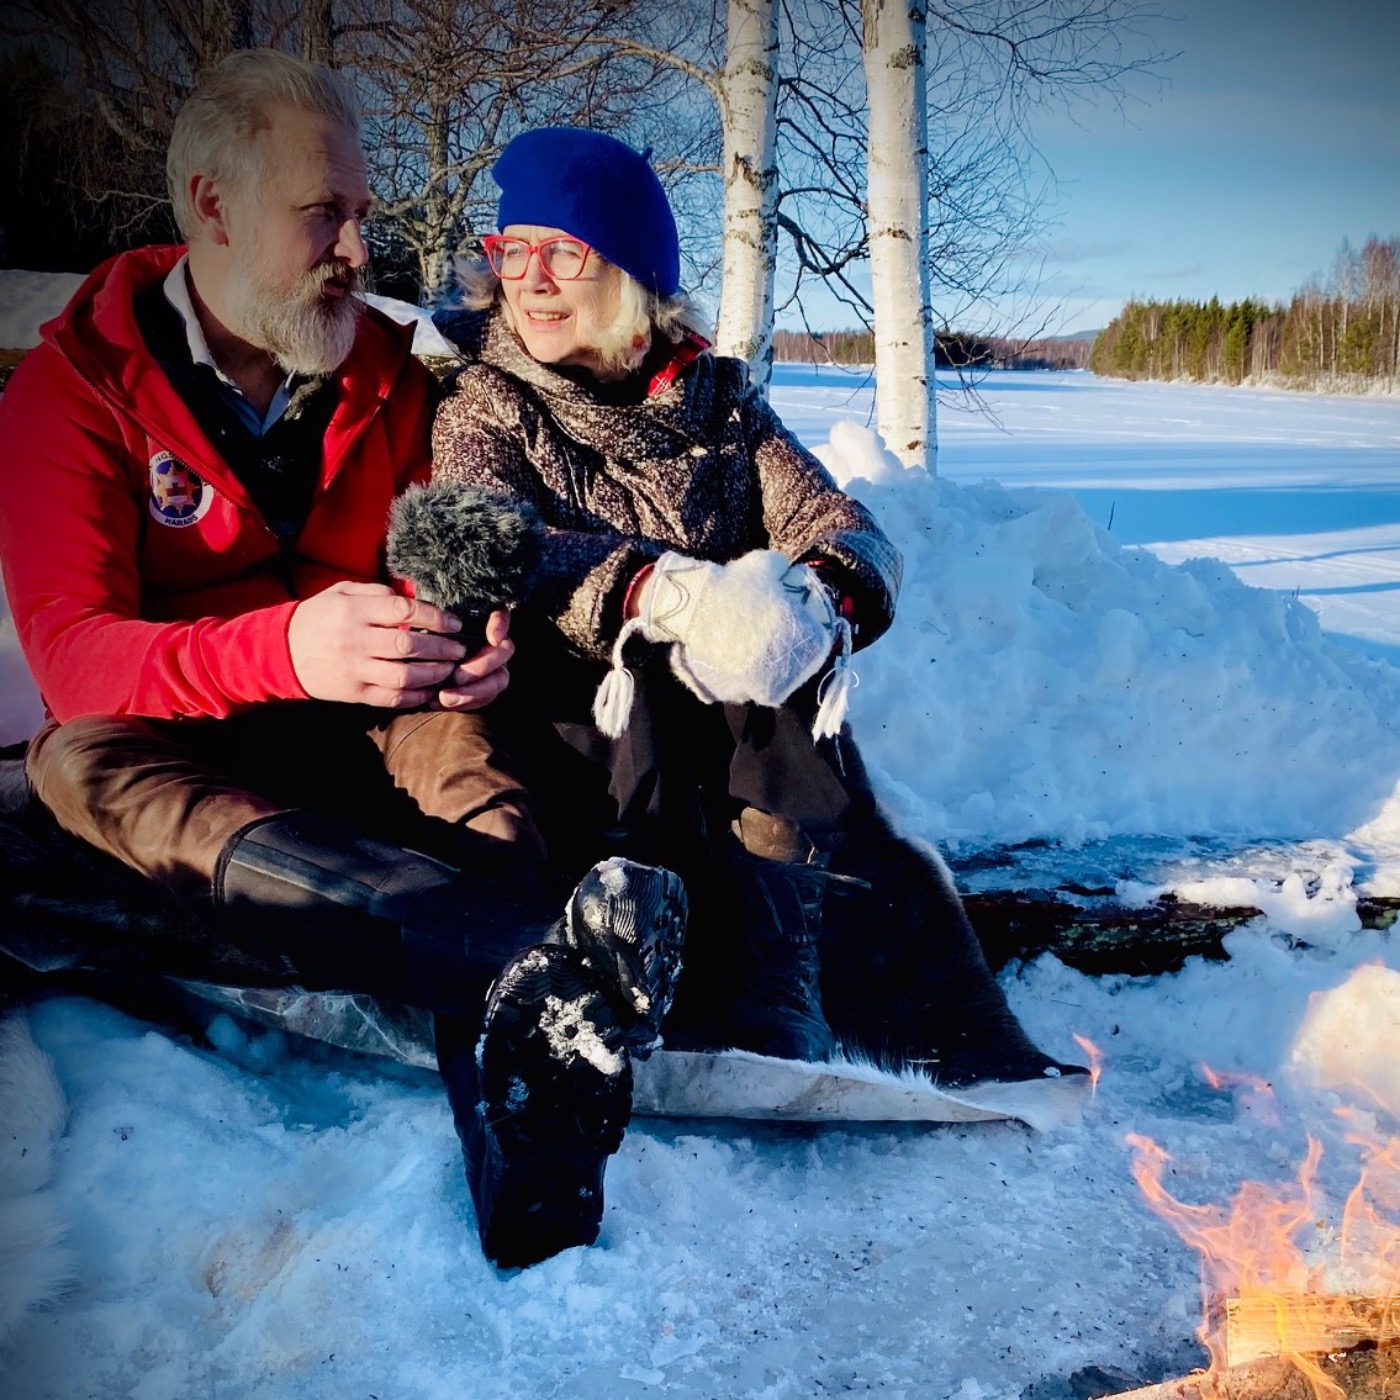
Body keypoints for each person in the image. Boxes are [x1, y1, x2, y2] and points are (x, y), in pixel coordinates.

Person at [0, 53, 688, 1271]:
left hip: (364, 708)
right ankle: (538, 963)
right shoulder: (74, 391)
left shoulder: (378, 365)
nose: (357, 249)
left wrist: (470, 635)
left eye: (361, 215)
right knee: (77, 762)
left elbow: (438, 543)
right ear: (212, 205)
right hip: (173, 731)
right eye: (324, 214)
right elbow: (73, 655)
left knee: (469, 753)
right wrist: (284, 644)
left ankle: (532, 1134)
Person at [429, 127, 1082, 1087]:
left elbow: (843, 523)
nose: (530, 278)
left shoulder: (722, 404)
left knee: (772, 635)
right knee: (699, 640)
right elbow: (492, 537)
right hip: (584, 720)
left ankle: (782, 977)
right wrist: (663, 593)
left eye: (562, 251)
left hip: (738, 736)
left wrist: (817, 597)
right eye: (511, 250)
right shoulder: (485, 402)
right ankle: (649, 958)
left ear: (633, 274)